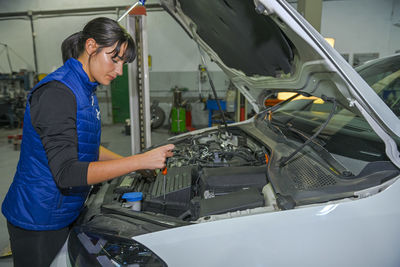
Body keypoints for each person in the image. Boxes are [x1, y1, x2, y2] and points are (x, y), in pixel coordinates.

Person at [1, 17, 174, 267]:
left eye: (123, 63)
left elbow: (88, 148)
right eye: (114, 58)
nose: (118, 71)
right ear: (91, 46)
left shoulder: (85, 89)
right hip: (39, 219)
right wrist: (138, 160)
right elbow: (67, 173)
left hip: (64, 210)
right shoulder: (57, 94)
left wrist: (134, 165)